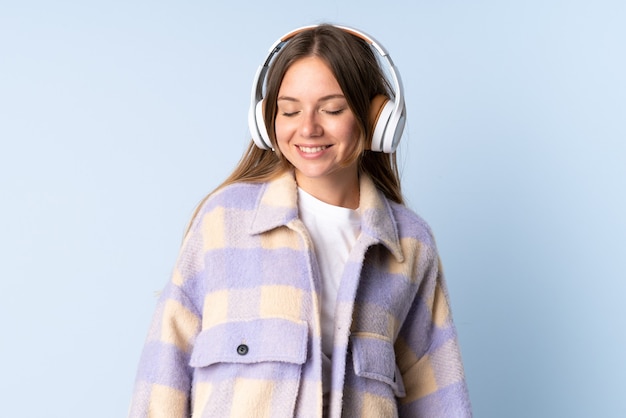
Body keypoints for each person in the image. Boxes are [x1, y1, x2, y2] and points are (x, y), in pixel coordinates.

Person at [128, 23, 472, 417]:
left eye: (332, 109)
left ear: (376, 118)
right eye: (290, 110)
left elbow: (439, 396)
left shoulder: (409, 244)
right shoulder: (223, 222)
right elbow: (163, 372)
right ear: (266, 119)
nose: (308, 128)